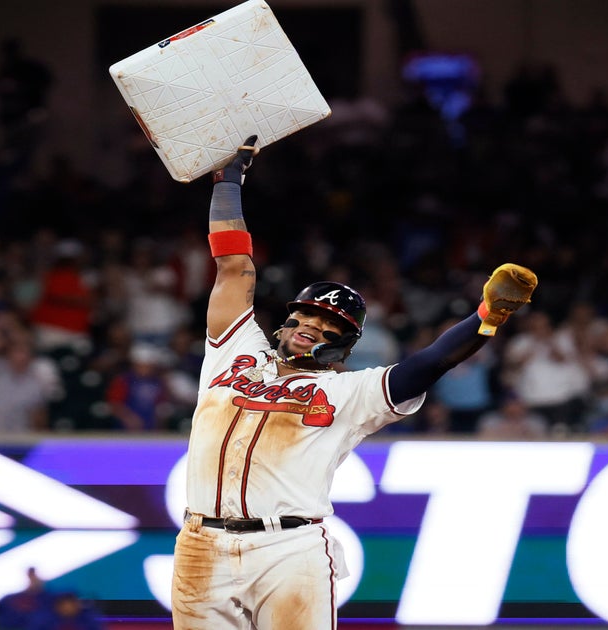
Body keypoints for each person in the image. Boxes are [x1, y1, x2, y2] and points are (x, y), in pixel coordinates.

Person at [170, 137, 539, 629]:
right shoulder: (232, 353)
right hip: (201, 544)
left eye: (328, 329)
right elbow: (234, 266)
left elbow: (427, 363)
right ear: (288, 317)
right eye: (307, 315)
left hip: (289, 547)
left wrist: (485, 317)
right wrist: (228, 181)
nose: (312, 327)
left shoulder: (351, 392)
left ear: (341, 346)